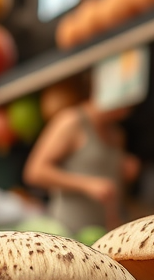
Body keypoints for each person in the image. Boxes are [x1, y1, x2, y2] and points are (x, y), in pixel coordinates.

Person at [23, 97, 140, 233]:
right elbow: (34, 172)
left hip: (103, 234)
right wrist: (87, 184)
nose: (127, 111)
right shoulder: (70, 121)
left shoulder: (117, 134)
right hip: (67, 231)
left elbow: (114, 191)